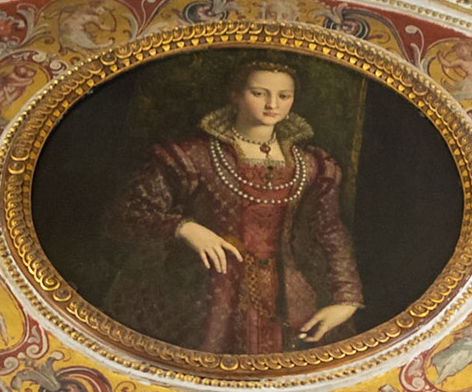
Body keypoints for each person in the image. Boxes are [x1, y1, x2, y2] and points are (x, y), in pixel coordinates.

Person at [102, 60, 364, 356]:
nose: (272, 105)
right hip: (203, 298)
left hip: (289, 300)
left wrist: (347, 300)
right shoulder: (191, 155)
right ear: (236, 95)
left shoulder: (311, 164)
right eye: (259, 93)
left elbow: (329, 230)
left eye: (283, 96)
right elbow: (124, 214)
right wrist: (184, 228)